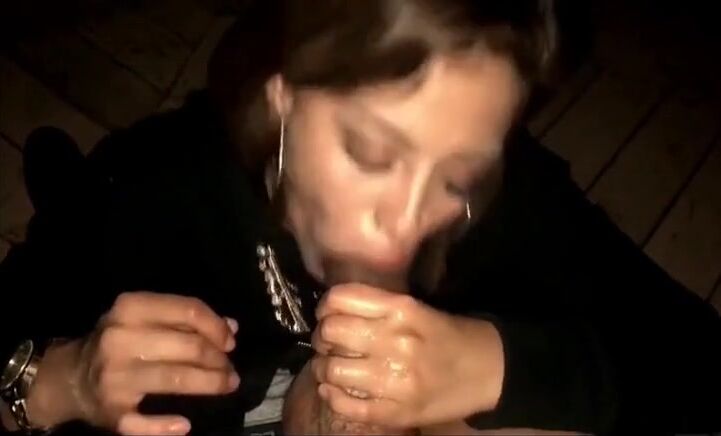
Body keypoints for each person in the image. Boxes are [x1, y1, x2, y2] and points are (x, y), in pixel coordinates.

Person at [1, 1, 720, 435]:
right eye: (372, 152)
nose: (407, 225)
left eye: (458, 176)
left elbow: (692, 361)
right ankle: (70, 190)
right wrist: (63, 381)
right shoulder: (163, 187)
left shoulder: (509, 198)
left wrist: (493, 365)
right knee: (86, 222)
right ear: (283, 94)